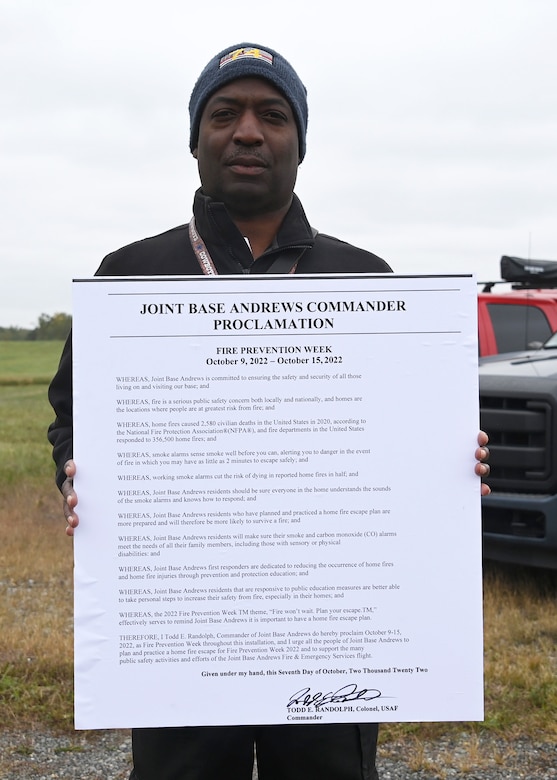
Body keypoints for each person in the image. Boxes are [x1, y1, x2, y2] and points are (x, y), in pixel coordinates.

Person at [48, 43, 491, 780]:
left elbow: (406, 438)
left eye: (272, 116)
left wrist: (449, 465)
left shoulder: (365, 281)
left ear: (299, 142)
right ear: (196, 138)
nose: (248, 131)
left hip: (328, 630)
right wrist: (75, 474)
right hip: (184, 625)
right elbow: (73, 417)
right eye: (224, 114)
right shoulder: (129, 277)